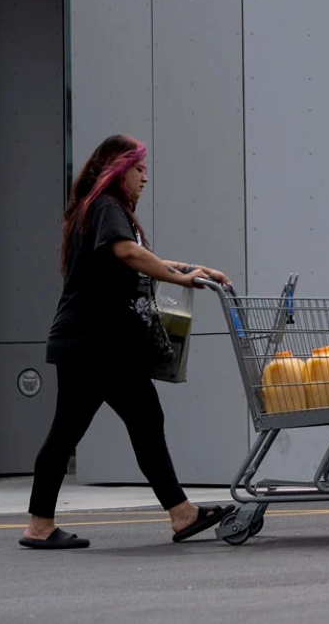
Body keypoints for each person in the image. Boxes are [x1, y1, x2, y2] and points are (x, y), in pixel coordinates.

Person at [20, 133, 236, 549]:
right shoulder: (106, 207)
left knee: (108, 427)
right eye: (140, 168)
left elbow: (136, 255)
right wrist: (180, 278)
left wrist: (195, 268)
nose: (145, 177)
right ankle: (178, 514)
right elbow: (129, 254)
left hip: (94, 345)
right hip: (96, 346)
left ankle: (43, 525)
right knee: (129, 424)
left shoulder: (98, 209)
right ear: (119, 171)